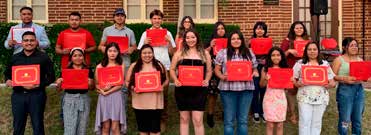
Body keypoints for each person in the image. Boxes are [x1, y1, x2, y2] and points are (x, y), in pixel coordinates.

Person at [4, 31, 55, 135]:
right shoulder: (15, 58)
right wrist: (8, 80)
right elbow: (7, 74)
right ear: (22, 43)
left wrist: (38, 85)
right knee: (18, 126)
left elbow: (51, 77)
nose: (29, 43)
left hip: (37, 95)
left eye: (32, 40)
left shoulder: (43, 57)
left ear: (36, 42)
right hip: (18, 96)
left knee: (37, 126)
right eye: (26, 40)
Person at [137, 9, 176, 131]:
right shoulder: (146, 33)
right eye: (154, 18)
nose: (157, 20)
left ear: (162, 20)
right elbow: (140, 51)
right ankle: (149, 120)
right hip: (149, 67)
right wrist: (145, 43)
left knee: (163, 95)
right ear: (151, 20)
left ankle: (162, 119)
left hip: (165, 66)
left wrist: (169, 43)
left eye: (159, 18)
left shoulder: (167, 33)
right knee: (148, 94)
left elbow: (172, 52)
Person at [55, 11, 96, 124]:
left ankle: (81, 116)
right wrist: (63, 51)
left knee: (82, 90)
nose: (74, 21)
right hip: (68, 67)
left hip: (83, 67)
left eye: (76, 19)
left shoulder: (86, 33)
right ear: (68, 21)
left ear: (80, 21)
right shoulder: (63, 34)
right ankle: (66, 118)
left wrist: (83, 50)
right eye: (72, 19)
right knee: (66, 93)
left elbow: (93, 47)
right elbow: (57, 49)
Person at [214, 30, 259, 135]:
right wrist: (222, 76)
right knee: (229, 121)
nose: (236, 41)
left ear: (242, 40)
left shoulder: (249, 52)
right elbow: (216, 69)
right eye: (233, 39)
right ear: (229, 41)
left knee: (243, 121)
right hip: (228, 89)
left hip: (246, 89)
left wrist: (254, 73)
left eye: (238, 38)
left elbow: (255, 69)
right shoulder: (223, 52)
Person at [98, 8, 137, 127]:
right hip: (109, 66)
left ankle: (121, 122)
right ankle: (108, 120)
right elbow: (100, 46)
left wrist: (130, 49)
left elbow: (134, 46)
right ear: (114, 17)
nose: (120, 17)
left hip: (124, 65)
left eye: (122, 15)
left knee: (123, 91)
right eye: (117, 15)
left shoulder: (129, 31)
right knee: (108, 88)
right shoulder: (107, 30)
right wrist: (108, 51)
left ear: (125, 17)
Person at [170, 30, 212, 135]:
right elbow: (172, 69)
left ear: (197, 38)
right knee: (184, 119)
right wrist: (175, 79)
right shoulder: (179, 53)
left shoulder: (205, 53)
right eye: (187, 38)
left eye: (193, 37)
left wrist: (206, 80)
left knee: (198, 120)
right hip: (182, 90)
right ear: (184, 40)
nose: (190, 40)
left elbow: (209, 70)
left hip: (199, 90)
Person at [292, 42, 336, 135]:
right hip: (304, 97)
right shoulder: (300, 63)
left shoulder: (324, 64)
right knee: (304, 122)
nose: (312, 51)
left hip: (321, 97)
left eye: (314, 49)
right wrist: (297, 83)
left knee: (316, 123)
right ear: (306, 51)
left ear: (318, 51)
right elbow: (293, 80)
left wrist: (330, 85)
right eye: (309, 49)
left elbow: (332, 82)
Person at [126, 44, 169, 135]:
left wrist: (162, 86)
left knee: (155, 131)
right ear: (140, 54)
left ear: (153, 54)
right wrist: (134, 88)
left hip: (155, 103)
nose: (147, 55)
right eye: (144, 53)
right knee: (143, 130)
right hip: (140, 104)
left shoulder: (159, 65)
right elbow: (127, 82)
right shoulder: (134, 66)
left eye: (149, 53)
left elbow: (167, 80)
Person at [332, 37, 370, 135]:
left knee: (357, 119)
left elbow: (363, 76)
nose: (354, 47)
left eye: (356, 45)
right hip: (345, 90)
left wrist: (366, 77)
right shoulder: (339, 60)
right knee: (345, 119)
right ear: (345, 47)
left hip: (359, 90)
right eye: (351, 45)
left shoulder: (360, 60)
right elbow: (332, 76)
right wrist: (345, 79)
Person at [55, 47, 94, 135]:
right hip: (69, 99)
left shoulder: (87, 70)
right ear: (71, 58)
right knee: (69, 128)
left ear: (83, 57)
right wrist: (58, 84)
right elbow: (59, 89)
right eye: (75, 56)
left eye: (80, 55)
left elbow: (92, 88)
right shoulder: (66, 71)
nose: (78, 58)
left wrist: (91, 83)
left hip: (84, 99)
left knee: (82, 127)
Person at [280, 21, 310, 124]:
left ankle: (304, 113)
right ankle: (293, 114)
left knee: (304, 90)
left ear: (304, 29)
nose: (299, 30)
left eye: (301, 28)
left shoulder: (308, 41)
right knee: (291, 91)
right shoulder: (287, 41)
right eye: (296, 28)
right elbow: (280, 55)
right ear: (293, 29)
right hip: (291, 68)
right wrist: (288, 51)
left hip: (305, 68)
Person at [94, 43, 126, 135]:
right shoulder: (100, 66)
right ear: (106, 52)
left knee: (115, 126)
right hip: (104, 98)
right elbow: (96, 84)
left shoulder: (121, 65)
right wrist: (103, 90)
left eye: (115, 51)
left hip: (116, 96)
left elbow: (120, 84)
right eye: (110, 51)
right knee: (105, 126)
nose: (112, 53)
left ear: (118, 52)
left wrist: (108, 91)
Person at [259, 47, 289, 135]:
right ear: (270, 57)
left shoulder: (285, 69)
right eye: (273, 55)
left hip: (281, 98)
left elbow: (287, 88)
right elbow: (261, 85)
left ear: (281, 56)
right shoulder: (265, 69)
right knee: (270, 125)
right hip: (269, 98)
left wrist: (290, 81)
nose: (276, 57)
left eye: (278, 55)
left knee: (280, 124)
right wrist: (265, 79)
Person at [204, 21, 227, 127]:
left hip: (226, 70)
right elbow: (203, 54)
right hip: (213, 71)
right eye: (218, 29)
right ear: (215, 30)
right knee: (212, 95)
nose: (221, 30)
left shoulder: (229, 41)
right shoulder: (210, 41)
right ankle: (210, 115)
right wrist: (210, 46)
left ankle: (225, 114)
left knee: (225, 94)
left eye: (222, 28)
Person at [249, 21, 269, 123]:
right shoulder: (250, 41)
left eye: (262, 28)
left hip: (265, 68)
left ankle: (263, 111)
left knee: (264, 89)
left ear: (265, 31)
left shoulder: (269, 41)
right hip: (254, 68)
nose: (259, 30)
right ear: (255, 30)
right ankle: (256, 111)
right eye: (257, 28)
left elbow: (272, 55)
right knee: (255, 89)